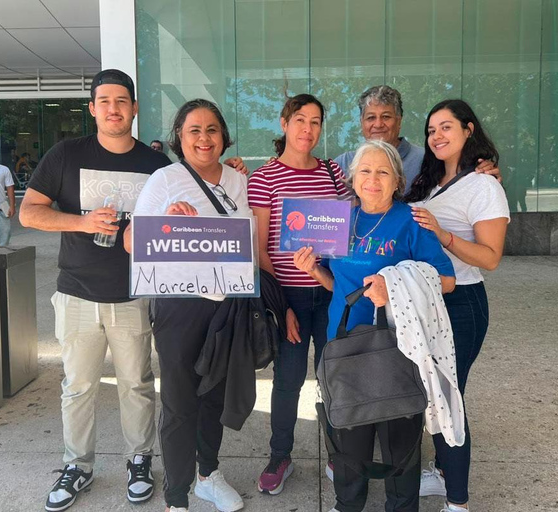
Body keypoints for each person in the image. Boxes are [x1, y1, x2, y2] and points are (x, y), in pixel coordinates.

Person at [19, 69, 171, 512]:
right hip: (78, 292)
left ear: (134, 108)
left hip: (133, 294)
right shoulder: (66, 154)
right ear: (92, 108)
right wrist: (81, 221)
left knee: (137, 385)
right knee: (79, 386)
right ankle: (77, 465)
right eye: (104, 101)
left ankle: (139, 460)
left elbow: (186, 208)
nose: (113, 109)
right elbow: (30, 212)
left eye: (122, 100)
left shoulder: (156, 165)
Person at [294, 139, 456, 512]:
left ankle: (401, 506)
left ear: (397, 180)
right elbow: (340, 285)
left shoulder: (410, 221)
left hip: (397, 347)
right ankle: (347, 505)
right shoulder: (337, 221)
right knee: (349, 439)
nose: (372, 179)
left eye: (382, 171)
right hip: (344, 343)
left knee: (400, 442)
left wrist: (394, 283)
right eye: (365, 171)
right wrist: (313, 270)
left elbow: (446, 281)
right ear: (352, 178)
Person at [129, 99, 249, 512]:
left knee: (214, 396)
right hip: (179, 305)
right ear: (180, 136)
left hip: (225, 305)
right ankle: (176, 496)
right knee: (180, 403)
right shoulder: (164, 179)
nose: (204, 138)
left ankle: (207, 475)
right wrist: (166, 219)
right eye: (194, 130)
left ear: (223, 136)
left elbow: (242, 239)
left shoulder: (237, 180)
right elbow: (131, 242)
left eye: (212, 129)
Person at [407, 99, 509, 512]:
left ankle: (457, 503)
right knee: (432, 394)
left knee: (450, 398)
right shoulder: (430, 183)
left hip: (461, 302)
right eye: (431, 130)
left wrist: (443, 235)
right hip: (426, 301)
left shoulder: (484, 185)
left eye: (446, 127)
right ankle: (445, 472)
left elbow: (490, 257)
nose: (437, 136)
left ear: (469, 130)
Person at [248, 93, 349, 494]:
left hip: (329, 293)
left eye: (316, 122)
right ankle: (280, 455)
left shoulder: (332, 173)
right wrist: (282, 306)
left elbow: (344, 232)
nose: (308, 129)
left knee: (334, 377)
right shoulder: (265, 178)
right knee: (288, 381)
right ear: (284, 123)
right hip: (287, 296)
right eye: (300, 120)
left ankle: (340, 454)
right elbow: (261, 249)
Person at [333, 86, 500, 191]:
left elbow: (462, 183)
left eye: (386, 117)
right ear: (361, 123)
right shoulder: (342, 163)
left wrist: (483, 171)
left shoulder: (428, 159)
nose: (378, 124)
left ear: (399, 121)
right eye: (370, 118)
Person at [0, 151, 15, 246]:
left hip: (1, 207)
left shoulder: (4, 169)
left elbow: (10, 187)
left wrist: (12, 206)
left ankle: (2, 257)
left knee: (4, 236)